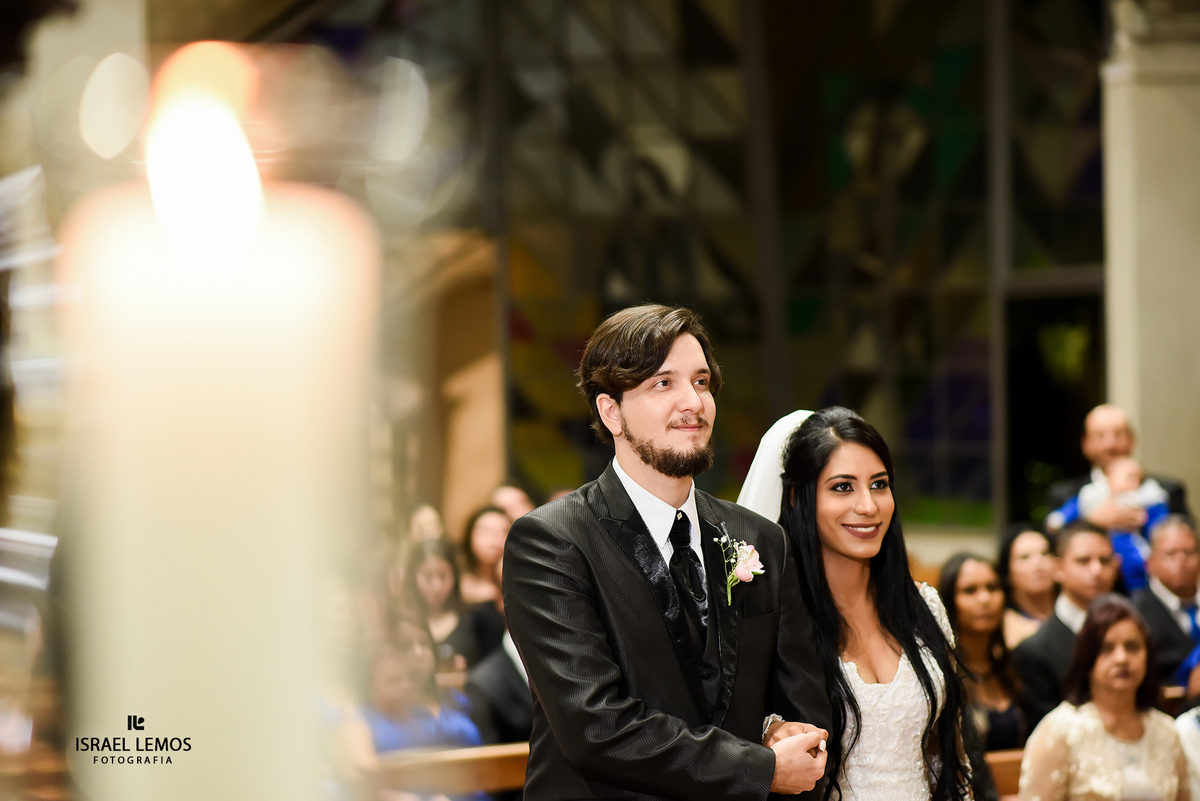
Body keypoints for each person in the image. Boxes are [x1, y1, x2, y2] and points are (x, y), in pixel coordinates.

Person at [503, 304, 831, 801]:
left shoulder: (760, 538)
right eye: (663, 383)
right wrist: (759, 768)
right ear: (611, 412)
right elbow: (595, 726)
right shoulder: (550, 542)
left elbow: (801, 699)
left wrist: (782, 728)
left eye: (701, 382)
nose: (693, 403)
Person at [738, 407, 975, 801]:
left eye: (879, 484)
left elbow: (947, 752)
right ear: (797, 497)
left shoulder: (924, 605)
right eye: (843, 487)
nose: (868, 506)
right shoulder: (776, 620)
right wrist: (770, 733)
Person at [1019, 594, 1189, 801]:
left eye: (1132, 647)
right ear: (1087, 658)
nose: (1121, 658)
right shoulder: (1058, 732)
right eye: (1107, 648)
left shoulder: (1166, 732)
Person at [1013, 521, 1120, 729]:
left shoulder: (1132, 631)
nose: (1097, 570)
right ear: (1058, 568)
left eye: (1105, 560)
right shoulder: (1034, 650)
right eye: (1083, 561)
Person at [1045, 404, 1188, 531]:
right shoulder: (1064, 495)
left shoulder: (1167, 492)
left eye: (1118, 434)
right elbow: (1052, 539)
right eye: (1100, 436)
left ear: (1132, 440)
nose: (1110, 445)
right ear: (1085, 444)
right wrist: (1090, 522)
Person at [938, 553, 1027, 751]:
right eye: (970, 590)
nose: (985, 599)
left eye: (992, 588)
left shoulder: (1014, 666)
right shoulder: (941, 674)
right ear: (949, 601)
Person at [1133, 516, 1200, 685]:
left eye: (1189, 552)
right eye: (1170, 554)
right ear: (1150, 563)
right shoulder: (1135, 613)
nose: (1181, 561)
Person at [399, 538, 478, 671]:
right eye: (428, 576)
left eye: (443, 576)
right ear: (413, 577)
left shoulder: (475, 618)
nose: (437, 586)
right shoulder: (403, 623)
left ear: (454, 575)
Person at [996, 524, 1057, 649]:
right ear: (1007, 573)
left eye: (1045, 553)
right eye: (1024, 557)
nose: (1037, 564)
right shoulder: (999, 627)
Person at [458, 506, 509, 606]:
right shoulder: (456, 580)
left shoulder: (517, 581)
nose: (494, 539)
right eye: (486, 531)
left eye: (502, 532)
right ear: (470, 536)